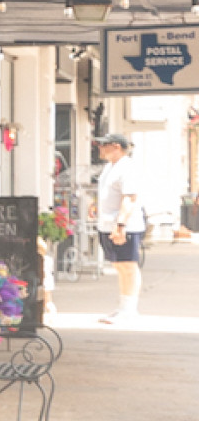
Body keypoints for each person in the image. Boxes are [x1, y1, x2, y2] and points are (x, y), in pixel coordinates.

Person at [95, 133, 145, 324]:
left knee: (128, 266)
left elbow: (129, 198)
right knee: (119, 265)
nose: (99, 148)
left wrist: (121, 225)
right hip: (107, 224)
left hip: (125, 226)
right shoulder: (109, 167)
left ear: (115, 146)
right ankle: (123, 307)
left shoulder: (127, 168)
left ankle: (130, 309)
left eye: (103, 145)